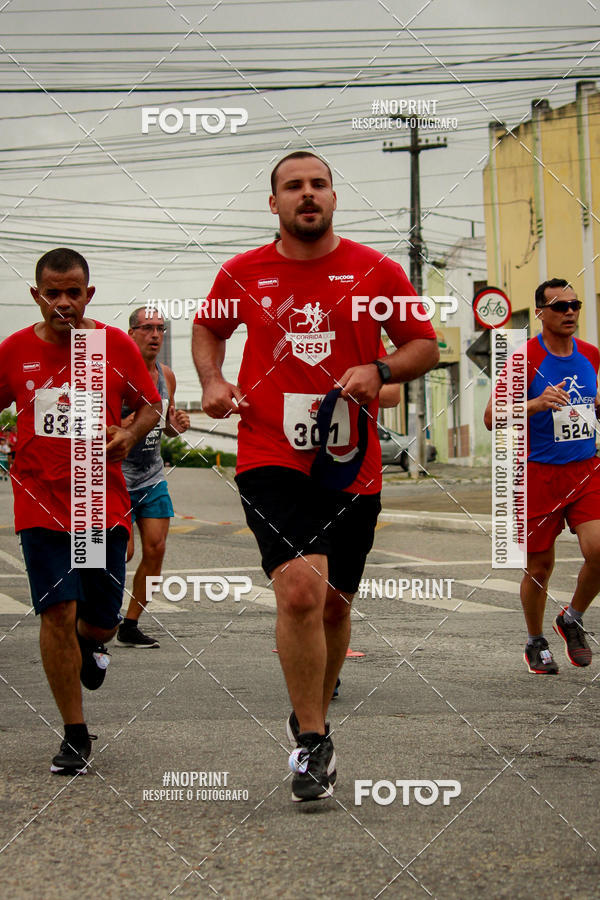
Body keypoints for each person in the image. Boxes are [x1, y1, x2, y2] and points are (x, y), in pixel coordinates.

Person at [192, 151, 439, 802]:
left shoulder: (374, 270)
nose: (308, 195)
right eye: (293, 186)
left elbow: (424, 345)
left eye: (319, 185)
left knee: (334, 603)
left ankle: (316, 711)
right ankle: (310, 739)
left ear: (334, 197)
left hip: (348, 462)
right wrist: (214, 381)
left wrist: (380, 371)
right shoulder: (243, 273)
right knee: (301, 589)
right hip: (270, 453)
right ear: (272, 203)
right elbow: (208, 329)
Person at [0, 248, 162, 774]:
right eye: (53, 293)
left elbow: (149, 404)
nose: (63, 302)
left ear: (89, 294)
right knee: (56, 612)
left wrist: (130, 432)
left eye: (74, 292)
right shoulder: (15, 351)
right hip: (40, 501)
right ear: (37, 295)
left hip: (100, 500)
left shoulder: (111, 345)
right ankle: (74, 732)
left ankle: (91, 647)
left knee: (98, 621)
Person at [484, 278, 600, 674]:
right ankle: (536, 640)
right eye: (559, 306)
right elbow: (490, 417)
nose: (569, 312)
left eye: (574, 305)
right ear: (540, 313)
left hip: (586, 469)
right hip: (538, 474)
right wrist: (533, 403)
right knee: (539, 568)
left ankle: (572, 617)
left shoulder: (591, 355)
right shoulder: (523, 359)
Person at [117, 307, 190, 648]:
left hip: (151, 475)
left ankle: (129, 624)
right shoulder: (114, 374)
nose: (155, 335)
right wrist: (131, 424)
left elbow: (167, 427)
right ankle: (96, 614)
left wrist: (176, 426)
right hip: (114, 476)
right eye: (146, 328)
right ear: (131, 332)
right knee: (122, 552)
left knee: (156, 548)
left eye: (160, 328)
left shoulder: (166, 375)